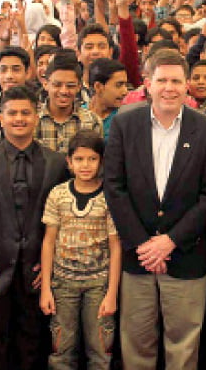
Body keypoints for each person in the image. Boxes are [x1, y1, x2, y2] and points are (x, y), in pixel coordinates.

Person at [104, 49, 206, 369]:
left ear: (187, 86)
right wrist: (143, 244)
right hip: (137, 255)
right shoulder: (124, 123)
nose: (169, 88)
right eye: (162, 81)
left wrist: (170, 240)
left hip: (185, 255)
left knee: (184, 346)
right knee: (136, 343)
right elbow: (114, 186)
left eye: (176, 81)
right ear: (147, 84)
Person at [0, 85, 69, 370]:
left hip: (35, 275)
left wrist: (49, 264)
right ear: (1, 117)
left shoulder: (56, 164)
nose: (19, 118)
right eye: (12, 113)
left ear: (36, 116)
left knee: (31, 350)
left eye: (26, 113)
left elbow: (63, 220)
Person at [40, 130, 121, 369]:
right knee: (61, 351)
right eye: (79, 159)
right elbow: (48, 241)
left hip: (99, 285)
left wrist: (112, 293)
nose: (85, 165)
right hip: (63, 284)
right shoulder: (58, 195)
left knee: (100, 350)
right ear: (69, 162)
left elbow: (116, 246)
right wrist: (46, 287)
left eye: (92, 159)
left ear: (101, 161)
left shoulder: (109, 196)